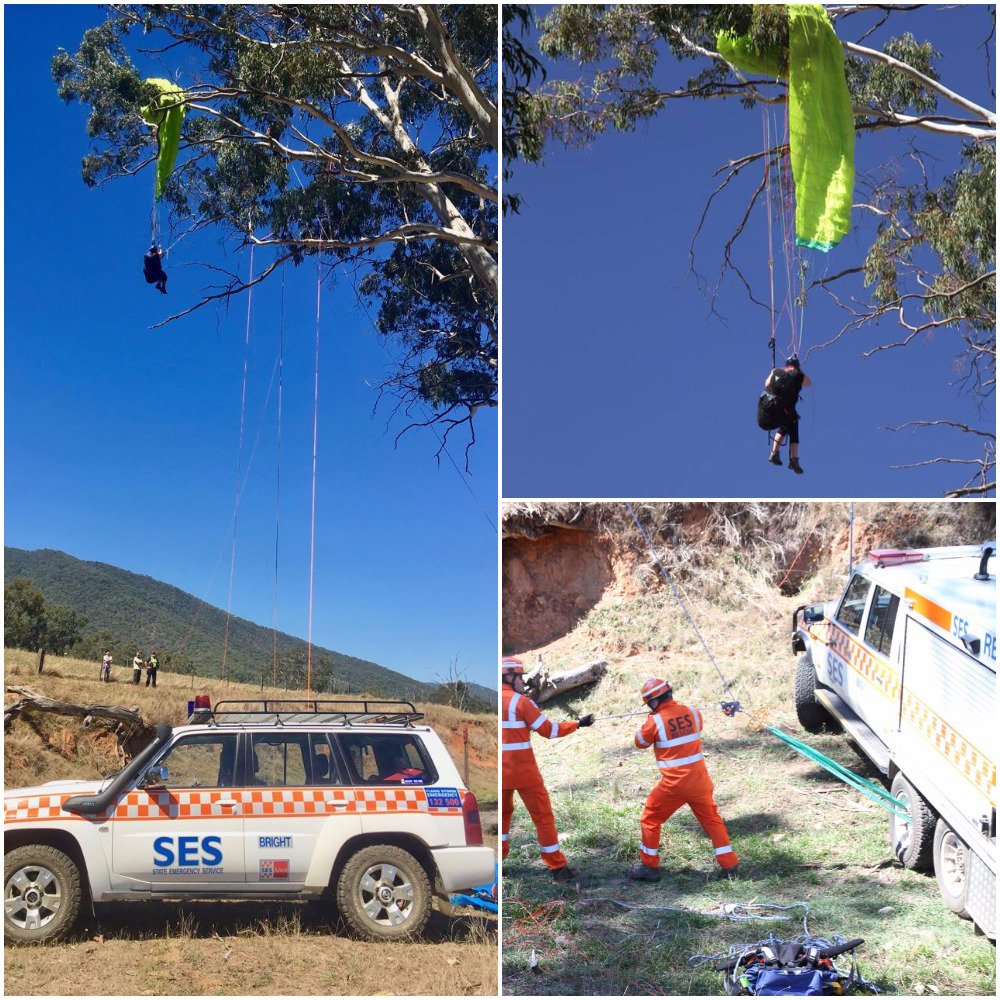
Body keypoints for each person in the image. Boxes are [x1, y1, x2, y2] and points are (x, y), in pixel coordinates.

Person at [628, 677, 739, 882]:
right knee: (712, 820)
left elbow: (640, 742)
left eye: (649, 703)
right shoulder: (693, 712)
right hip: (700, 781)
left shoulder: (655, 721)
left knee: (650, 819)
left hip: (674, 785)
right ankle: (730, 864)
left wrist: (650, 720)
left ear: (654, 700)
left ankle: (649, 866)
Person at [501, 656, 594, 881]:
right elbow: (549, 730)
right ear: (509, 677)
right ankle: (558, 868)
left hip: (500, 776)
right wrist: (578, 723)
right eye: (520, 677)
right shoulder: (521, 703)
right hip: (524, 773)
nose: (523, 682)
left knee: (503, 818)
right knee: (543, 817)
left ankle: (497, 865)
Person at [764, 355, 811, 474]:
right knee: (794, 433)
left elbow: (767, 385)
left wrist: (772, 372)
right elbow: (808, 383)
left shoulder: (778, 372)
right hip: (788, 410)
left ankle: (774, 453)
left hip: (776, 408)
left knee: (783, 429)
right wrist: (799, 371)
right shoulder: (798, 374)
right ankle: (793, 460)